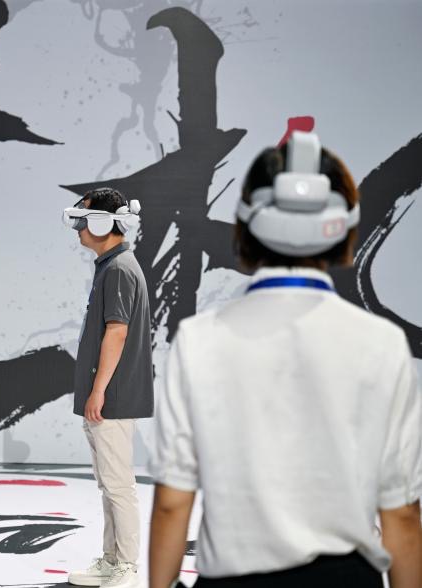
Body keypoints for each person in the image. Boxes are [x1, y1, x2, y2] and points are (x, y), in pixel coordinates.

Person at [148, 132, 422, 588]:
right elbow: (403, 514)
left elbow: (172, 502)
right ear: (343, 227)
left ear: (246, 226)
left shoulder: (199, 340)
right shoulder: (382, 343)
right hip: (345, 579)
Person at [64, 188, 152, 588]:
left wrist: (98, 390)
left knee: (118, 485)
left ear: (102, 223)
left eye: (83, 220)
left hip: (112, 397)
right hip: (106, 395)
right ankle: (112, 559)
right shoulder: (112, 266)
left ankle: (127, 566)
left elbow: (117, 332)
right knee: (109, 484)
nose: (78, 228)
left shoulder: (118, 269)